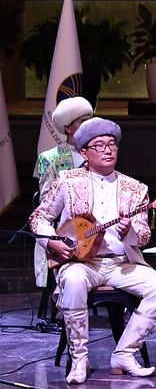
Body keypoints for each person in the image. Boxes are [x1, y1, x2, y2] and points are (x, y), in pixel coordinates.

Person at [29, 118, 156, 384]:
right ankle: (80, 358)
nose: (108, 149)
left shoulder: (135, 189)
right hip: (82, 263)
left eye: (112, 144)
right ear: (84, 153)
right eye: (99, 145)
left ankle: (125, 353)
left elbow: (143, 236)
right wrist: (52, 242)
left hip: (121, 263)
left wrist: (126, 231)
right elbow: (39, 218)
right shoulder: (68, 181)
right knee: (72, 280)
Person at [33, 96, 94, 289]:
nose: (89, 127)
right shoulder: (50, 158)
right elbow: (47, 202)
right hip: (63, 228)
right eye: (83, 122)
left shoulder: (97, 152)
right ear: (68, 127)